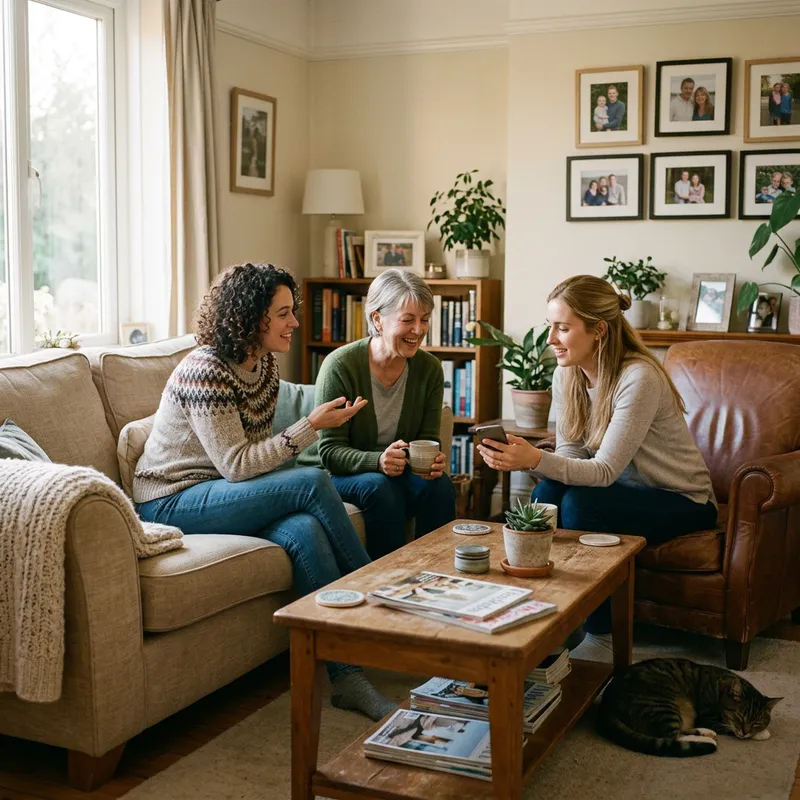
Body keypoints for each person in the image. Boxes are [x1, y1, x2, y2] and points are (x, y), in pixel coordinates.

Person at [133, 263, 396, 722]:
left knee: (304, 529)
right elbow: (237, 464)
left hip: (225, 492)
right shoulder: (206, 370)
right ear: (251, 318)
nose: (295, 322)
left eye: (292, 311)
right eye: (284, 313)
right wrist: (310, 425)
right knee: (313, 482)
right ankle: (383, 602)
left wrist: (302, 439)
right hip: (172, 499)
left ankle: (347, 679)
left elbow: (257, 457)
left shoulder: (264, 366)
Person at [477, 275, 717, 637]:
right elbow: (572, 450)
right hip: (618, 490)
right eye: (550, 327)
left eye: (562, 328)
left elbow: (603, 471)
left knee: (580, 506)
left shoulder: (638, 377)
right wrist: (519, 458)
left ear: (599, 331)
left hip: (681, 499)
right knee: (545, 499)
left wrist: (534, 460)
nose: (551, 340)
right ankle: (541, 611)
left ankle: (600, 629)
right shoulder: (568, 374)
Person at [303, 268, 456, 559]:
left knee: (440, 487)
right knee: (379, 487)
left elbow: (425, 439)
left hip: (393, 470)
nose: (419, 330)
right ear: (377, 319)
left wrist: (430, 462)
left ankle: (438, 572)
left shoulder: (429, 369)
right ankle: (389, 580)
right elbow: (331, 452)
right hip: (337, 473)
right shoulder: (341, 366)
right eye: (408, 320)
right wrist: (378, 460)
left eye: (424, 320)